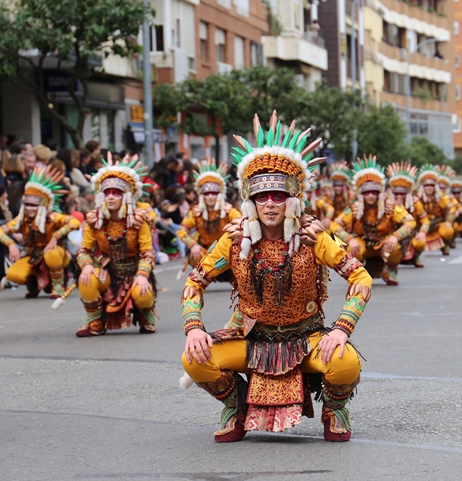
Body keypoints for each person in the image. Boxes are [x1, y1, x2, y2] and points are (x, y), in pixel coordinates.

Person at [181, 111, 371, 443]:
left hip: (304, 338)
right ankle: (235, 406)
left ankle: (335, 408)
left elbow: (360, 278)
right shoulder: (234, 239)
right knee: (195, 360)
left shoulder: (313, 236)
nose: (270, 204)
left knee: (346, 362)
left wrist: (341, 330)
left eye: (279, 196)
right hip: (253, 340)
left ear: (293, 198)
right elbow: (195, 282)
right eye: (261, 196)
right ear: (250, 200)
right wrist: (194, 327)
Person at [75, 154, 156, 337]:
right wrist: (87, 265)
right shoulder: (94, 220)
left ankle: (145, 312)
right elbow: (83, 250)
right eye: (107, 192)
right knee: (86, 278)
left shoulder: (138, 220)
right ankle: (95, 320)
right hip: (109, 274)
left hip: (135, 272)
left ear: (126, 196)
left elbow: (148, 254)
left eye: (116, 193)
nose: (110, 197)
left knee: (142, 292)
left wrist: (142, 276)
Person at [0, 166, 79, 298]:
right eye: (26, 204)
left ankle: (58, 285)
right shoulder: (22, 220)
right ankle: (33, 282)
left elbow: (74, 222)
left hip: (56, 254)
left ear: (43, 205)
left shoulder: (53, 217)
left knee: (51, 253)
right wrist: (10, 243)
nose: (29, 208)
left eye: (33, 205)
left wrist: (56, 236)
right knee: (13, 274)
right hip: (33, 255)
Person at [331, 156, 416, 285]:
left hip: (385, 242)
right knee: (353, 248)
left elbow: (410, 221)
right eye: (367, 192)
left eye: (374, 192)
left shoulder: (390, 206)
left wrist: (395, 236)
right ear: (361, 193)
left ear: (379, 193)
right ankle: (359, 273)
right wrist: (350, 239)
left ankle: (390, 270)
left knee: (394, 247)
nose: (370, 195)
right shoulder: (354, 208)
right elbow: (335, 224)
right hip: (362, 242)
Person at [177, 160, 242, 274]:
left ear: (220, 194)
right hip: (205, 252)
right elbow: (182, 231)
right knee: (196, 255)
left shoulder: (229, 211)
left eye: (214, 193)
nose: (211, 196)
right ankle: (200, 278)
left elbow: (243, 227)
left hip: (226, 252)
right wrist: (193, 245)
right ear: (201, 195)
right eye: (207, 193)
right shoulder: (195, 212)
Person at [412, 164, 456, 259]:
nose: (429, 187)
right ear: (422, 186)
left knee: (448, 230)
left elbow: (452, 208)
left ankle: (445, 245)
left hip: (437, 226)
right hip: (421, 228)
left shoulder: (441, 197)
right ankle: (415, 256)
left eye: (432, 185)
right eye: (426, 185)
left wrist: (448, 221)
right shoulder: (417, 198)